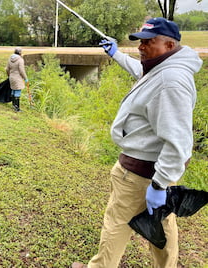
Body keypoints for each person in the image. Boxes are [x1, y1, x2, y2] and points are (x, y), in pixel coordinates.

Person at [72, 17, 203, 268]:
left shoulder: (170, 81)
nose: (141, 47)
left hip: (140, 175)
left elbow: (179, 143)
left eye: (148, 42)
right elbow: (141, 73)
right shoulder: (162, 69)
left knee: (117, 223)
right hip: (151, 173)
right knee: (161, 225)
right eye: (140, 42)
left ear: (168, 44)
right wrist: (117, 54)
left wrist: (159, 184)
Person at [6, 47, 28, 112]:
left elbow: (7, 69)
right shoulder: (20, 60)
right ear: (20, 52)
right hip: (18, 78)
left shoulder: (10, 58)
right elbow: (22, 70)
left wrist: (9, 75)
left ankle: (13, 105)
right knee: (18, 91)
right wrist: (25, 78)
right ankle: (17, 108)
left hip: (11, 77)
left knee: (13, 90)